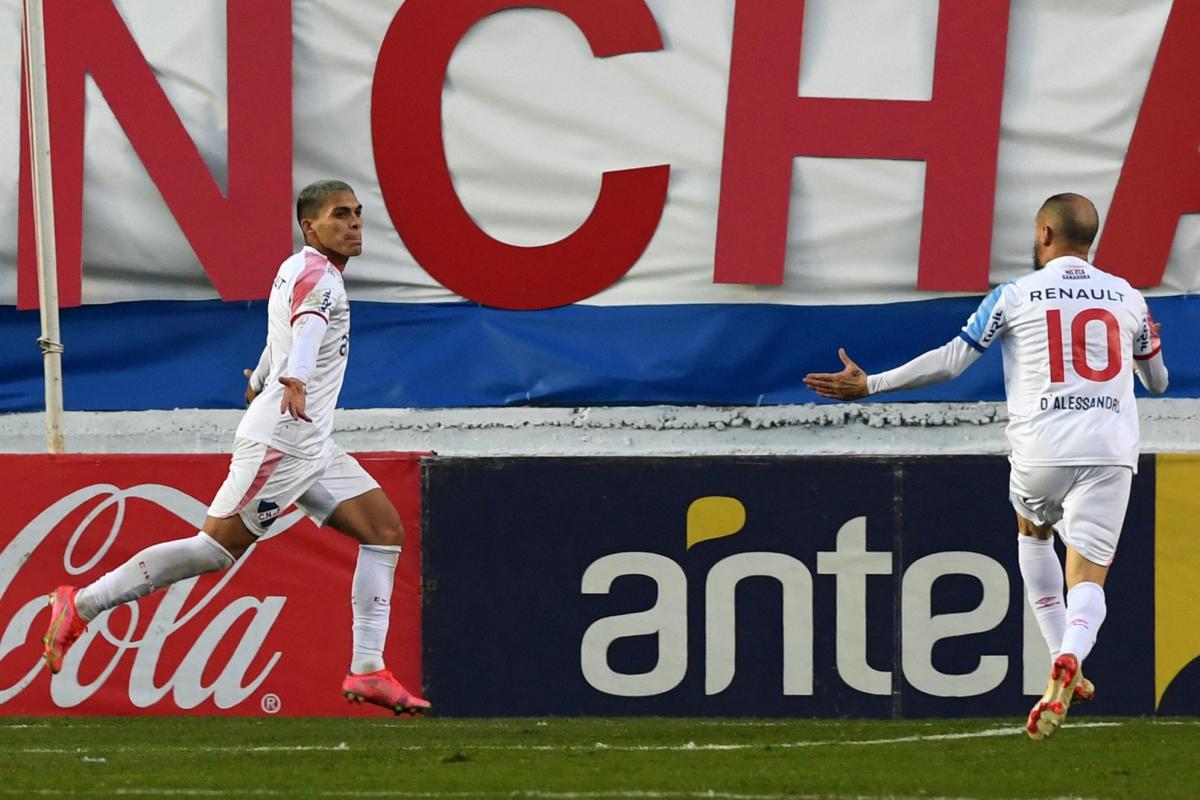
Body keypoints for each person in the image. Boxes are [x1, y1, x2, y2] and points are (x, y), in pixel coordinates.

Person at [41, 180, 430, 717]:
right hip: (282, 441)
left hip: (309, 440)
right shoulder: (321, 278)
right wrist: (292, 379)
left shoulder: (300, 270)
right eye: (341, 214)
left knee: (385, 532)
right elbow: (309, 329)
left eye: (358, 213)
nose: (355, 223)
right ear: (310, 226)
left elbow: (282, 335)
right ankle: (82, 604)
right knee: (213, 550)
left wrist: (266, 376)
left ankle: (368, 669)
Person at [803, 193, 1168, 739]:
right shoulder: (1129, 298)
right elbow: (1158, 382)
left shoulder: (1015, 295)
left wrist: (872, 384)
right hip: (1110, 449)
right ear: (1089, 240)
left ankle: (1059, 657)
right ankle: (1071, 655)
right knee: (1089, 577)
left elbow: (954, 359)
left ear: (1044, 234)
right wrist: (1143, 345)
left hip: (1042, 447)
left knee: (1033, 530)